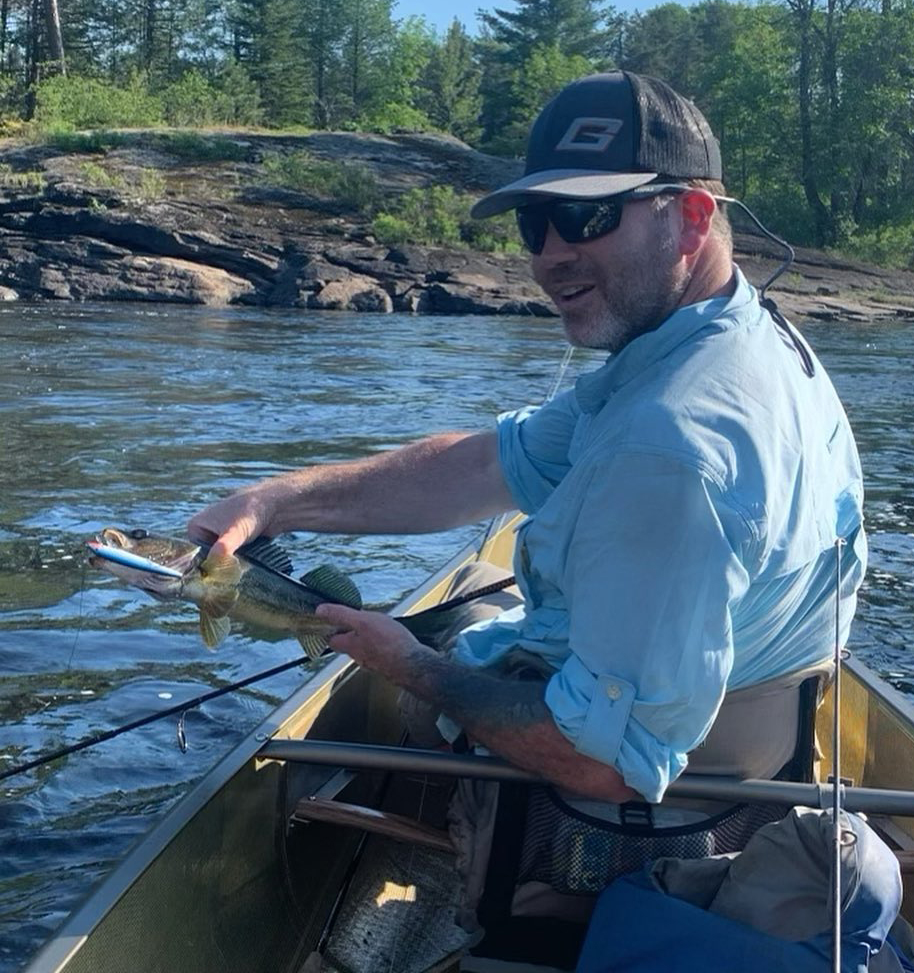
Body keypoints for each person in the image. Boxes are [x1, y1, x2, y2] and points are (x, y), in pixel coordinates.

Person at [188, 70, 866, 809]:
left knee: (419, 653)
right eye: (533, 224)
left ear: (693, 219)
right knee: (475, 592)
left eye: (585, 219)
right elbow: (481, 467)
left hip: (607, 818)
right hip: (752, 747)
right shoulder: (729, 339)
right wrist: (273, 503)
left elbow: (604, 766)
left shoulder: (669, 446)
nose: (548, 255)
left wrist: (411, 667)